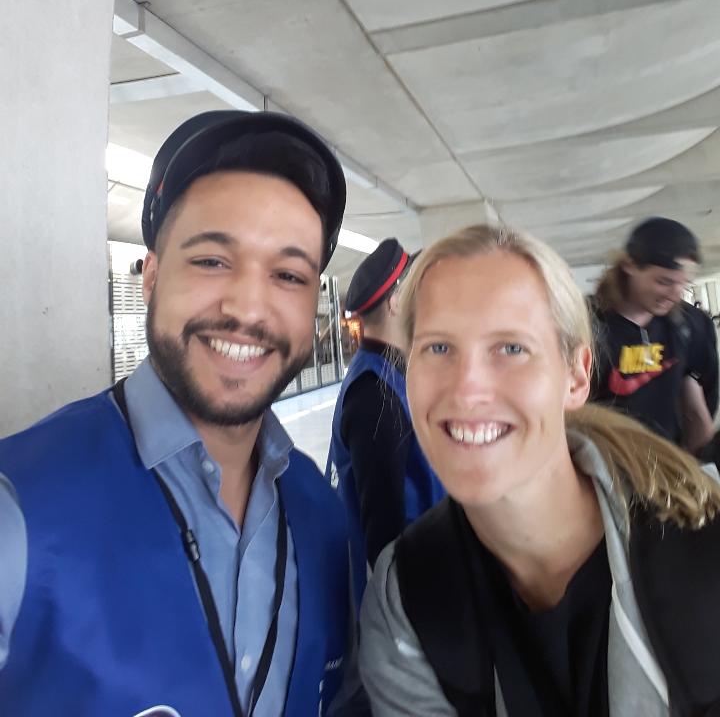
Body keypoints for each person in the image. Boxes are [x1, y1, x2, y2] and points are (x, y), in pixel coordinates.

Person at [0, 111, 368, 717]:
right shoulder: (19, 509)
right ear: (151, 278)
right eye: (212, 261)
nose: (248, 308)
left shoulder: (322, 519)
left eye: (288, 274)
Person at [359, 224, 720, 717]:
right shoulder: (406, 599)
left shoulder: (702, 535)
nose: (467, 391)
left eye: (511, 348)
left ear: (576, 376)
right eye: (438, 348)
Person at [326, 239, 443, 609]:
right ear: (395, 302)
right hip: (407, 599)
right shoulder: (374, 394)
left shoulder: (391, 373)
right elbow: (383, 530)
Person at [590, 217, 718, 452]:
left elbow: (700, 401)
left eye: (683, 284)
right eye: (664, 281)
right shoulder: (587, 326)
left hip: (669, 459)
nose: (675, 294)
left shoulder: (691, 325)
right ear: (629, 265)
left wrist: (699, 462)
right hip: (607, 460)